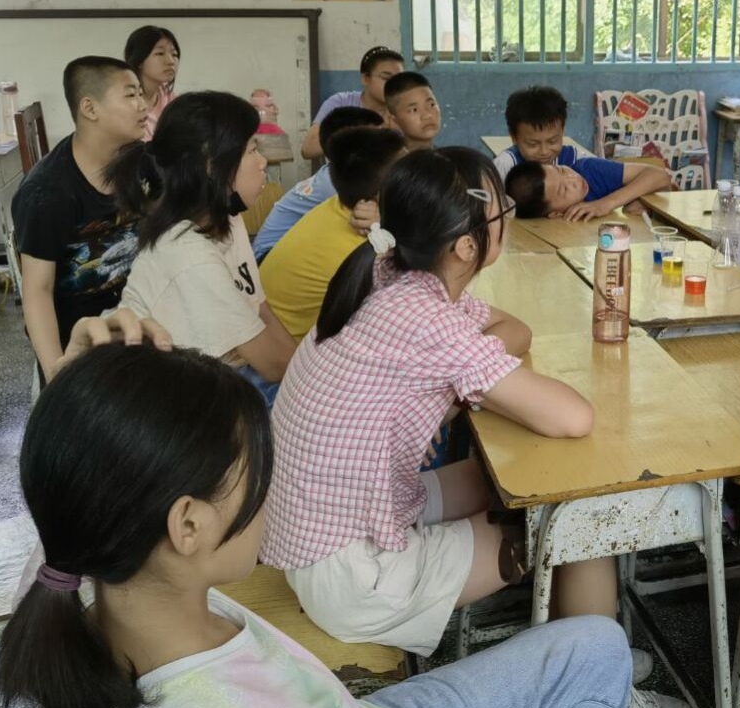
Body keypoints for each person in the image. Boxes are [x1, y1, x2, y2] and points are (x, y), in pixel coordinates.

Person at [0, 335, 633, 708]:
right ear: (188, 526)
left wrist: (85, 393)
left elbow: (71, 479)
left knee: (596, 645)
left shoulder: (80, 568)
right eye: (258, 479)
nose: (271, 494)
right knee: (598, 655)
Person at [261, 148, 608, 653]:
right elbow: (575, 417)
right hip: (356, 576)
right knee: (579, 513)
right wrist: (461, 384)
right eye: (503, 210)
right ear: (467, 246)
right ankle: (596, 674)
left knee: (508, 475)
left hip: (322, 533)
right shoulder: (427, 317)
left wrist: (448, 394)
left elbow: (515, 330)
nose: (509, 218)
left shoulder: (390, 273)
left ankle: (566, 641)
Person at [108, 92, 297, 403]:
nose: (263, 161)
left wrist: (302, 367)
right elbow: (273, 365)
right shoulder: (188, 253)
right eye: (252, 150)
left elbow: (261, 309)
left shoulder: (228, 218)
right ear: (211, 165)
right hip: (158, 403)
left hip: (209, 380)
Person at [13, 56, 148, 379]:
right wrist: (56, 374)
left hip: (134, 324)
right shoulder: (47, 194)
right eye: (131, 95)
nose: (143, 105)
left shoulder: (140, 162)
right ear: (90, 108)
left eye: (142, 94)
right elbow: (38, 291)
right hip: (77, 341)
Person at [261, 126, 406, 341]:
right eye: (411, 175)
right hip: (284, 354)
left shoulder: (340, 205)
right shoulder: (365, 249)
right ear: (382, 193)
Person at [252, 106, 385, 261]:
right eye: (376, 142)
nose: (386, 146)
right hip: (269, 256)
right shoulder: (334, 184)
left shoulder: (337, 174)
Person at [302, 46, 404, 159]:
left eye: (399, 79)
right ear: (365, 78)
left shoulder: (404, 109)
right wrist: (366, 132)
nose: (394, 85)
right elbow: (308, 150)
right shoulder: (340, 103)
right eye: (386, 78)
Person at [506, 158, 673, 222]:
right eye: (564, 189)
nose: (574, 179)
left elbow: (661, 176)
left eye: (562, 170)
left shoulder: (589, 170)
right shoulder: (558, 219)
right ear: (555, 214)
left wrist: (606, 203)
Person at [494, 84, 597, 182]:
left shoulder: (576, 159)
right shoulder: (505, 166)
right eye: (532, 144)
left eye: (552, 141)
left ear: (562, 131)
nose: (544, 152)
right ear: (514, 137)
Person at [123, 24, 180, 141]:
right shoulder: (124, 100)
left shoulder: (169, 98)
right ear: (139, 60)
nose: (171, 61)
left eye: (174, 54)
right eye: (160, 53)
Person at [384, 71, 442, 151]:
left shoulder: (449, 157)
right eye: (414, 110)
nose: (427, 115)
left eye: (432, 104)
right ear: (394, 121)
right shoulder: (388, 158)